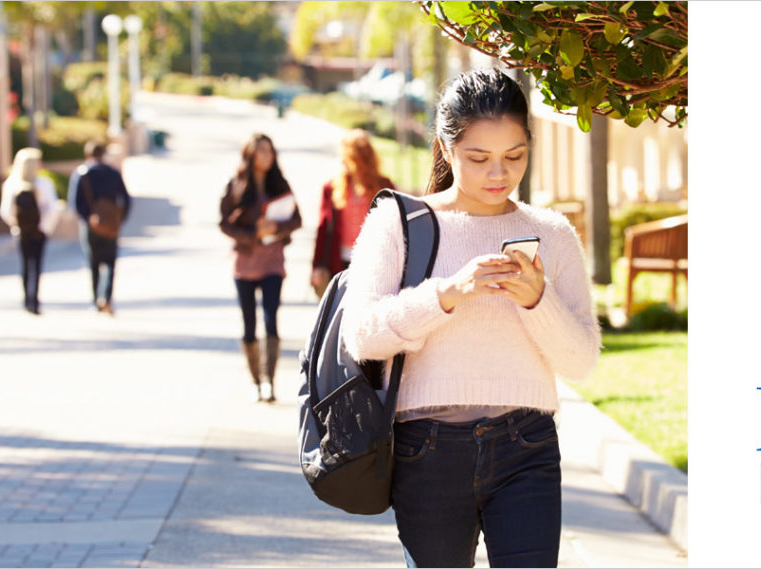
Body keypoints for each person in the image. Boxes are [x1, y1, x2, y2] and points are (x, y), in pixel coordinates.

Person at [340, 68, 601, 568]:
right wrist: (448, 293)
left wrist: (536, 300)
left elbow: (581, 360)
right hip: (427, 451)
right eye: (479, 158)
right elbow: (362, 334)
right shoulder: (398, 223)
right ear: (444, 145)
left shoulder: (552, 232)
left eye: (515, 156)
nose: (498, 174)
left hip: (527, 444)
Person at [219, 133, 302, 403]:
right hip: (244, 264)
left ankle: (269, 381)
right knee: (248, 324)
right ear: (251, 155)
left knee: (270, 320)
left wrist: (276, 227)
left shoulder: (280, 184)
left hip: (273, 263)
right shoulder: (237, 185)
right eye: (262, 151)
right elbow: (224, 223)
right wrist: (253, 232)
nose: (267, 156)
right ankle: (255, 380)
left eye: (271, 151)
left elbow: (297, 219)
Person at [310, 129, 396, 297]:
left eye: (347, 156)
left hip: (374, 261)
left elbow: (397, 225)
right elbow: (323, 227)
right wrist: (317, 266)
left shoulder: (384, 186)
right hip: (339, 261)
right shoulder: (332, 187)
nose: (342, 160)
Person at [0, 148, 60, 315]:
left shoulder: (12, 184)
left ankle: (27, 300)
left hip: (23, 232)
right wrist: (44, 228)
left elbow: (5, 211)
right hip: (39, 231)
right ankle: (35, 301)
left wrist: (16, 225)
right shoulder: (43, 184)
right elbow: (52, 209)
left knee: (26, 266)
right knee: (36, 265)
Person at [73, 141, 131, 315]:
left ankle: (95, 300)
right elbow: (126, 199)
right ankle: (106, 297)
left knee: (93, 263)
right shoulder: (113, 173)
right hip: (111, 224)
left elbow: (75, 203)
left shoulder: (82, 174)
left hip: (90, 225)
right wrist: (119, 219)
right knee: (110, 262)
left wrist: (87, 219)